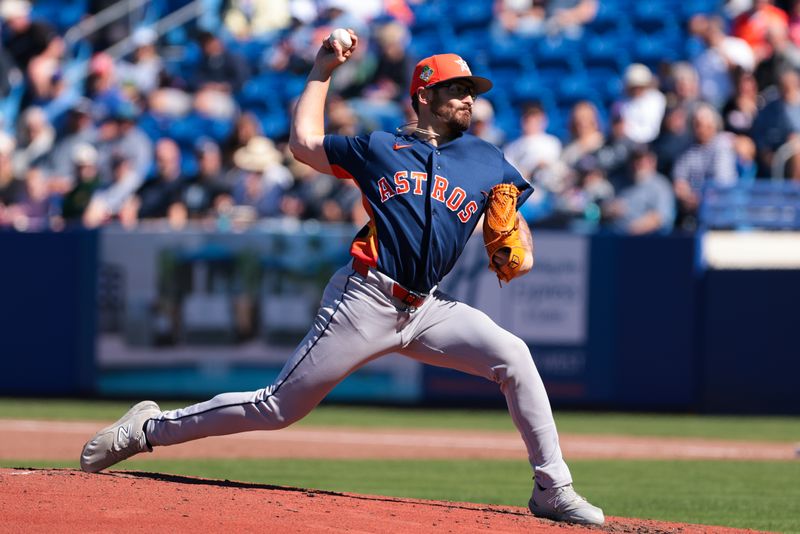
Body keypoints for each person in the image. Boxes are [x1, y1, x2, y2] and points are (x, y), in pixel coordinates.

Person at [79, 32, 605, 527]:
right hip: (366, 299)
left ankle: (551, 488)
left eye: (471, 90)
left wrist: (522, 244)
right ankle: (146, 429)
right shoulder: (380, 148)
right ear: (424, 96)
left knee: (514, 356)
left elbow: (515, 228)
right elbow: (305, 143)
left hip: (428, 310)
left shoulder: (487, 158)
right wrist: (322, 70)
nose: (469, 99)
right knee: (277, 407)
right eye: (456, 89)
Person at [602, 146, 675, 235]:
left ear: (652, 162)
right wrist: (610, 209)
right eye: (635, 160)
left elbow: (661, 218)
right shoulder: (618, 182)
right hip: (615, 238)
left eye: (643, 161)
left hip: (648, 240)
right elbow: (603, 208)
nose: (638, 164)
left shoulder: (661, 185)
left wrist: (632, 230)